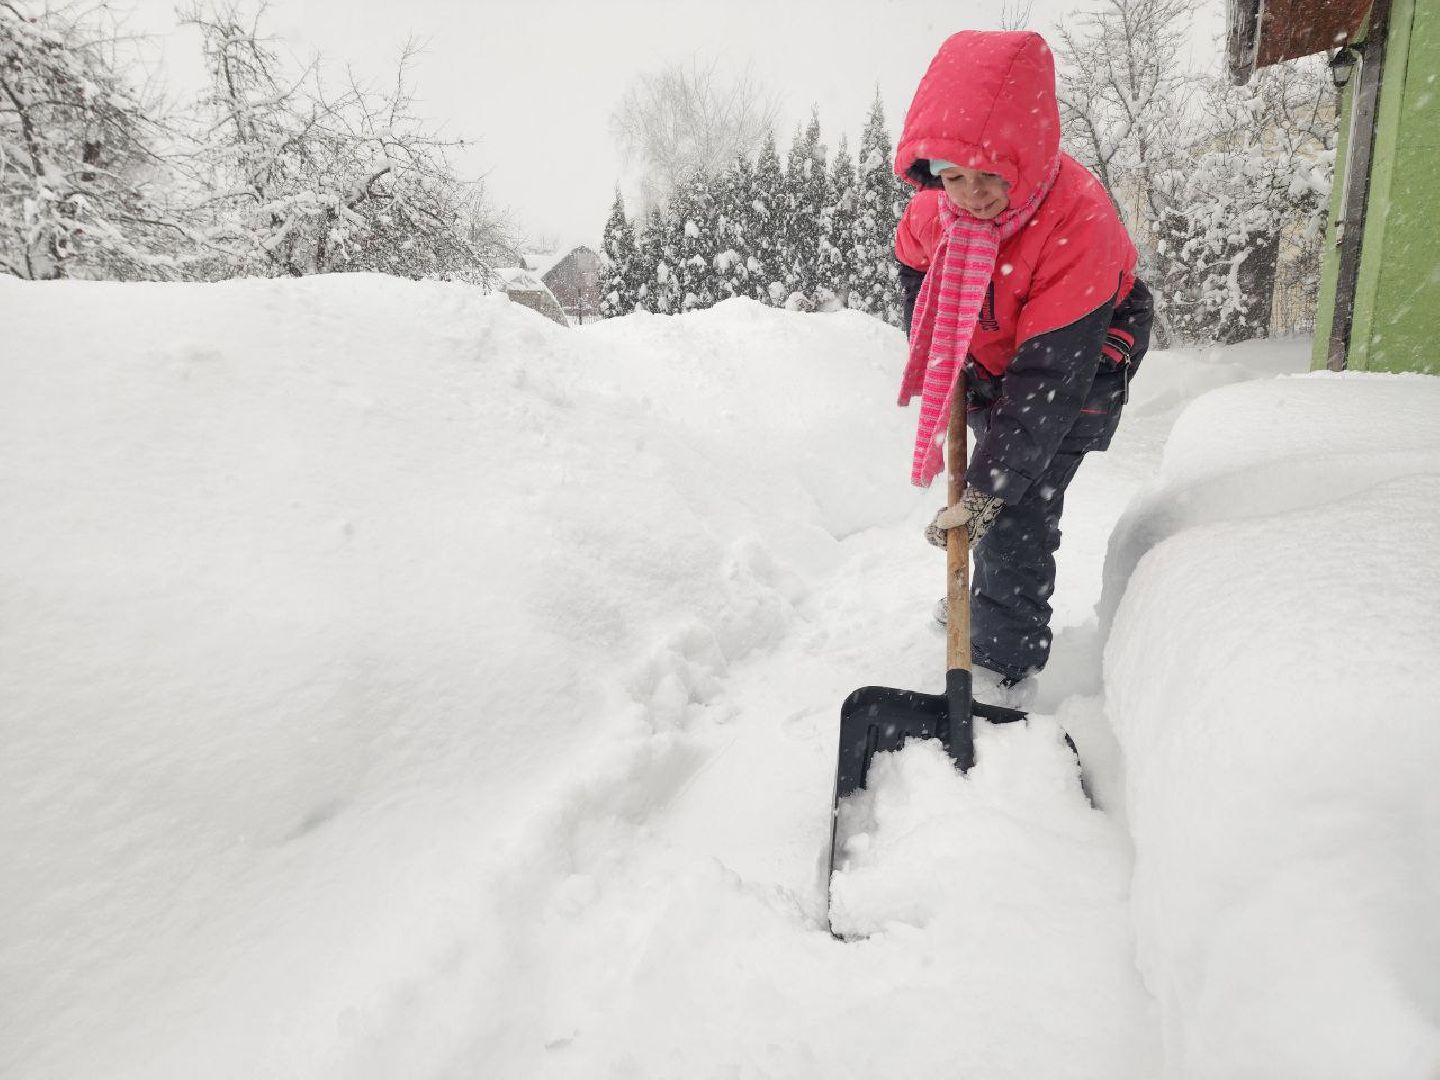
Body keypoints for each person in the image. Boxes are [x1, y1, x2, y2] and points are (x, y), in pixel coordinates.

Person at [892, 29, 1154, 687]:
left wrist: (987, 495)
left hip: (1081, 363)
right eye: (954, 177)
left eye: (991, 177)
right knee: (994, 478)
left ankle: (1001, 666)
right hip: (994, 358)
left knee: (1015, 504)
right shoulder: (937, 210)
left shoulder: (1078, 224)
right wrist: (935, 344)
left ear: (1029, 158)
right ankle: (983, 605)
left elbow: (1048, 379)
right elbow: (913, 266)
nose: (972, 196)